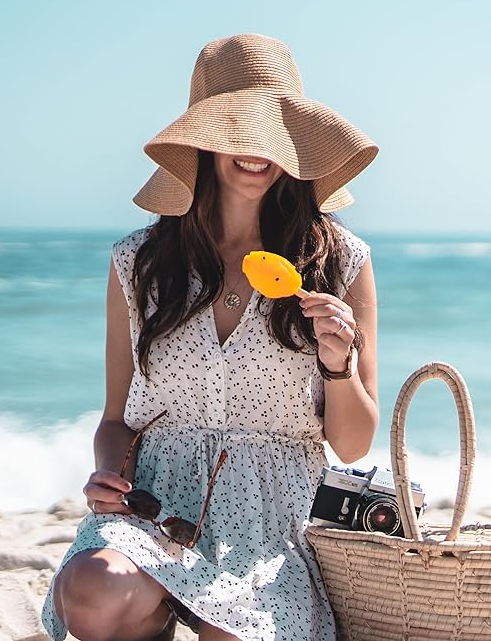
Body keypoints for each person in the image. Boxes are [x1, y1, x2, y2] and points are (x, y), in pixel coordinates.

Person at [40, 33, 381, 641]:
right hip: (153, 507)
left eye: (271, 135)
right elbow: (117, 419)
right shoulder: (137, 263)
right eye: (238, 133)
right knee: (92, 592)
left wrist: (338, 365)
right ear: (204, 141)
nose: (256, 153)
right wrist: (106, 475)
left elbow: (353, 445)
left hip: (271, 520)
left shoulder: (340, 263)